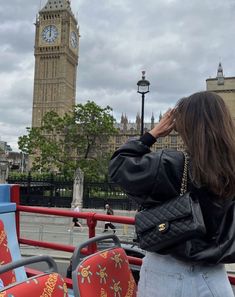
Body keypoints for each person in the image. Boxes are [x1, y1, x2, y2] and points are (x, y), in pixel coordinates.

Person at [109, 91, 235, 297]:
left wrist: (153, 134)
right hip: (214, 279)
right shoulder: (230, 168)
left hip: (168, 277)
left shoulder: (171, 164)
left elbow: (119, 166)